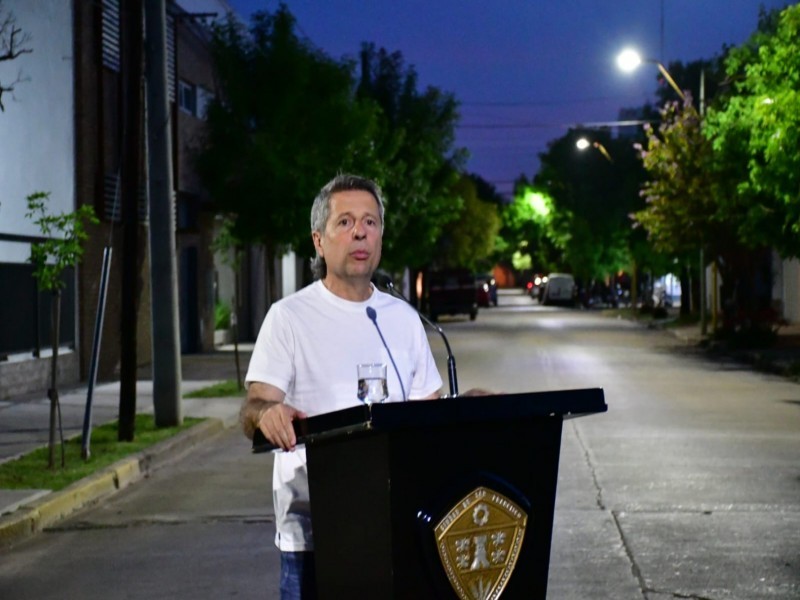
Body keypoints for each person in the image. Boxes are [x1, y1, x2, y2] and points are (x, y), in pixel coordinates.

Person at [240, 173, 443, 599]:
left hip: (396, 527)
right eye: (346, 222)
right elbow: (255, 406)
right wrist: (267, 414)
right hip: (316, 535)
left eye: (370, 222)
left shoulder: (403, 319)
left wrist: (470, 415)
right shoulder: (289, 317)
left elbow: (431, 413)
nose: (360, 233)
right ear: (319, 240)